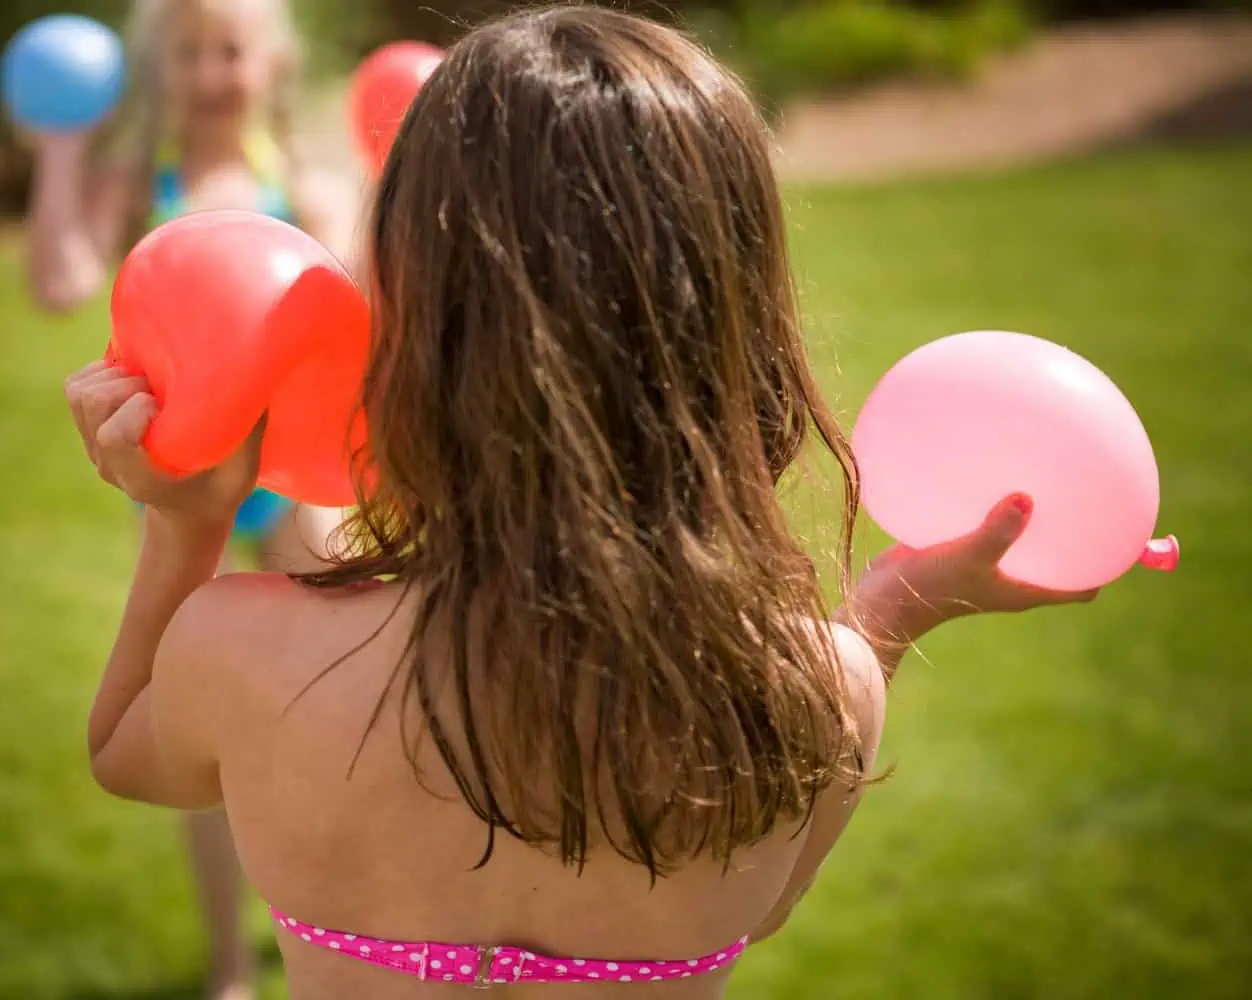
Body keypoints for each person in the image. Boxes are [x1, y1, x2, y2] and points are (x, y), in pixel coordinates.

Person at [62, 6, 1099, 997]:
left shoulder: (250, 653)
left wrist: (190, 516)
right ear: (737, 334)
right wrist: (890, 614)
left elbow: (126, 751)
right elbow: (761, 901)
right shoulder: (816, 700)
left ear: (417, 323)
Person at [23, 1, 354, 997]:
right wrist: (59, 150)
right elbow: (58, 280)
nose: (212, 72)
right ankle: (227, 967)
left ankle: (346, 933)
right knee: (192, 724)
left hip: (295, 482)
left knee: (330, 703)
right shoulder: (136, 182)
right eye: (189, 55)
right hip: (187, 485)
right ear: (158, 71)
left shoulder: (301, 182)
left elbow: (351, 305)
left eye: (232, 50)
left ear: (272, 65)